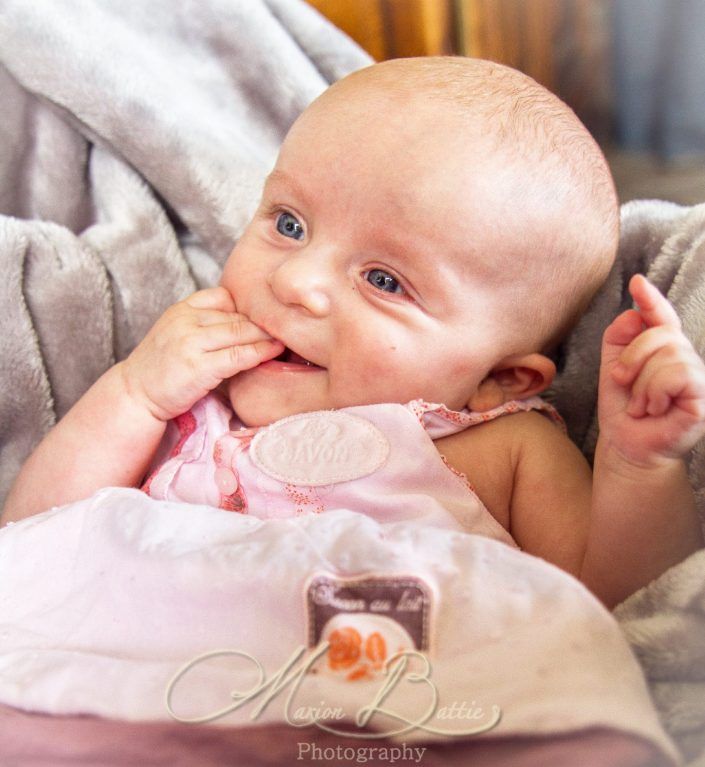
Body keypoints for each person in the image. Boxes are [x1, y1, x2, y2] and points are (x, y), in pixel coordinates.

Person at [2, 57, 704, 610]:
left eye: (384, 280)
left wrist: (638, 467)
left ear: (501, 379)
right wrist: (133, 394)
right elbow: (30, 538)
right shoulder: (192, 400)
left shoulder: (501, 446)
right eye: (288, 224)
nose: (295, 282)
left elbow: (616, 610)